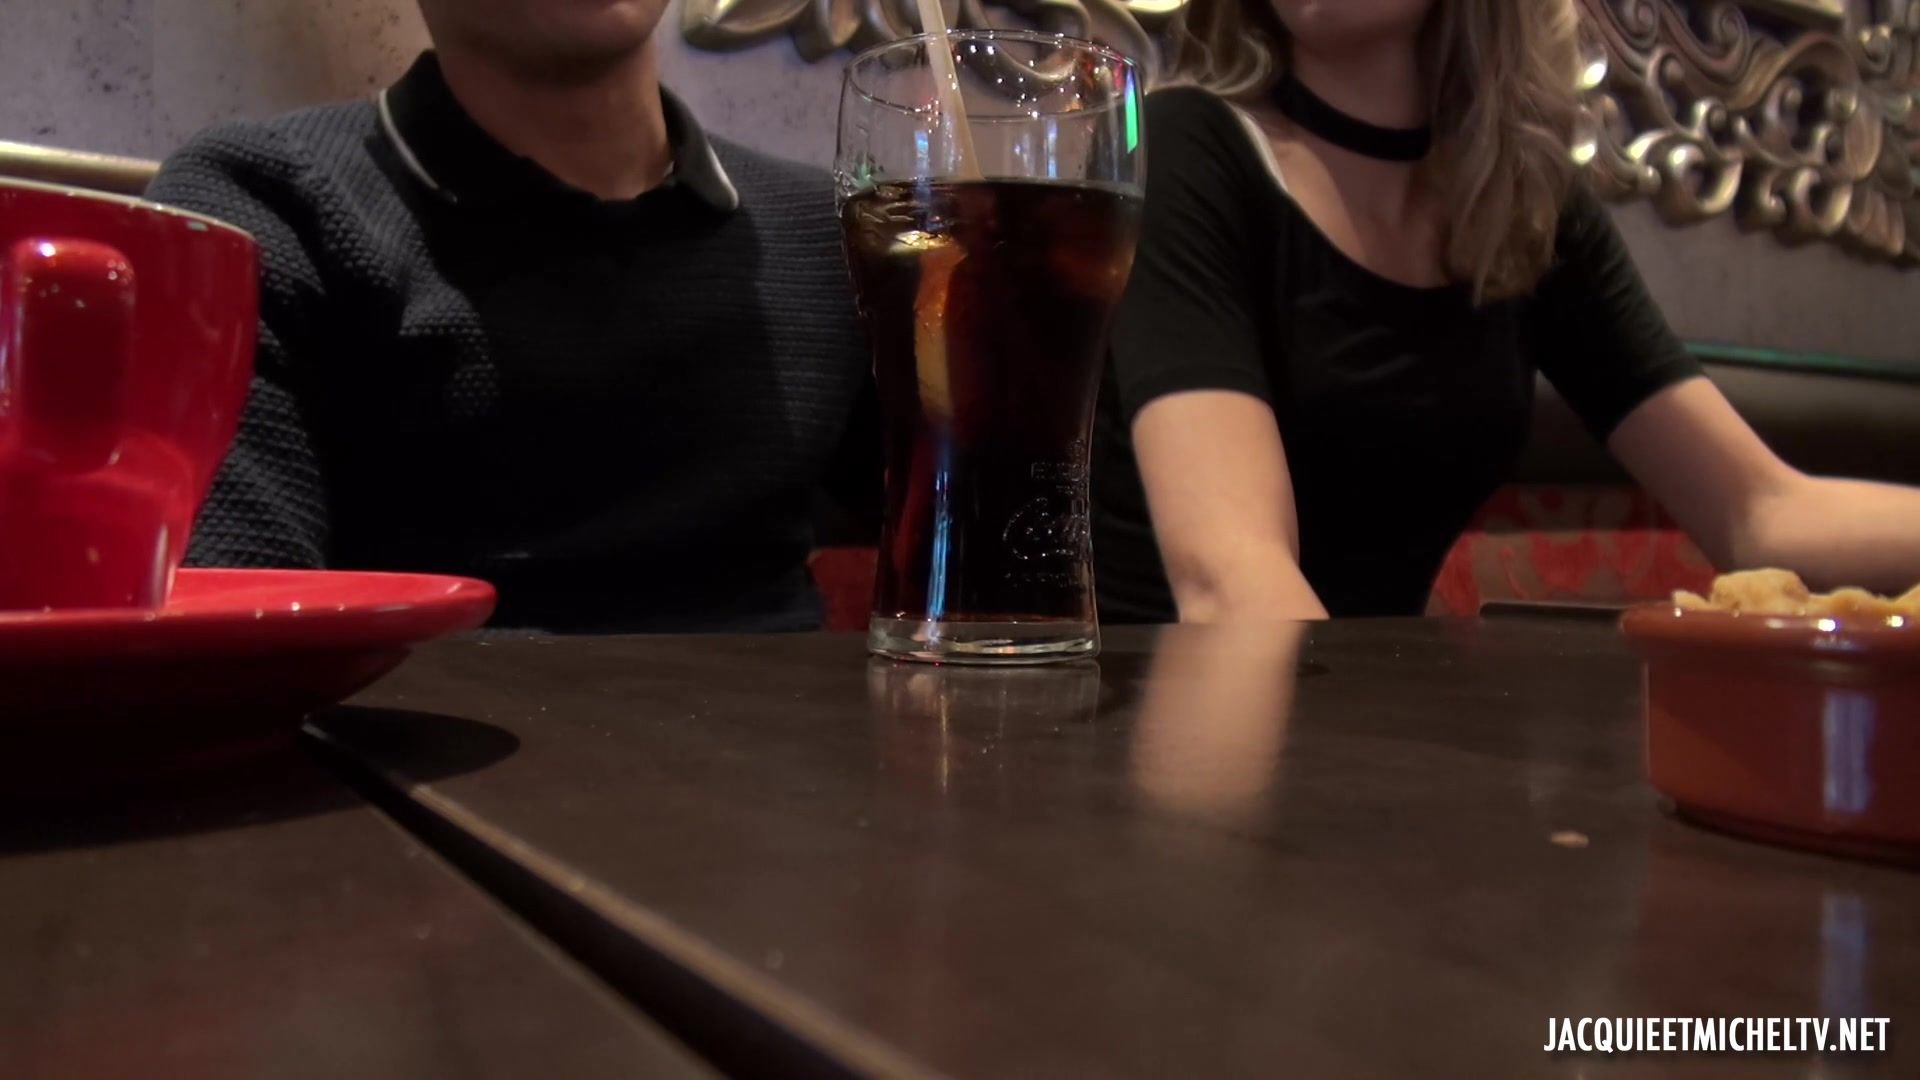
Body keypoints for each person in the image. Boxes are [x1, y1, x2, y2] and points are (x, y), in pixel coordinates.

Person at [1091, 0, 1920, 622]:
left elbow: (1759, 513)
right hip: (1168, 739)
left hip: (1364, 732)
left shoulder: (1522, 203)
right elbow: (1231, 579)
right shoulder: (1187, 148)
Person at [147, 0, 876, 633]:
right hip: (427, 747)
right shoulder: (262, 210)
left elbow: (943, 550)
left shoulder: (826, 234)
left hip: (799, 742)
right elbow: (234, 662)